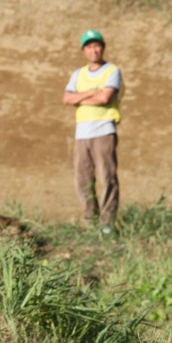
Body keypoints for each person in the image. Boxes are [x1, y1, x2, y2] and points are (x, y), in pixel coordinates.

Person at [63, 29, 123, 235]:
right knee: (83, 179)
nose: (93, 50)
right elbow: (67, 98)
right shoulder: (78, 74)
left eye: (97, 46)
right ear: (83, 51)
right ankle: (90, 221)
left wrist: (80, 97)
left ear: (103, 48)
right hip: (82, 134)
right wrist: (91, 92)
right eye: (89, 47)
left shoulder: (112, 71)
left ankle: (107, 224)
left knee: (107, 177)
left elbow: (105, 98)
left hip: (104, 130)